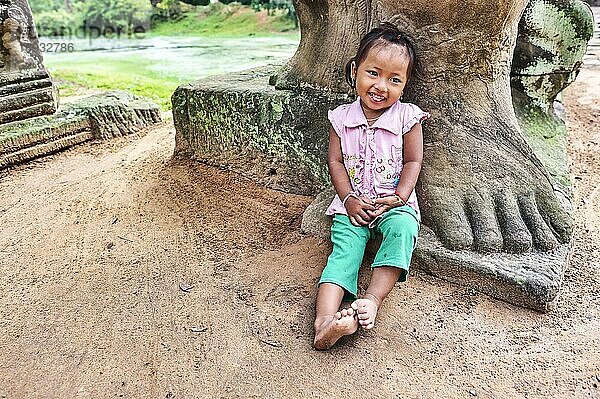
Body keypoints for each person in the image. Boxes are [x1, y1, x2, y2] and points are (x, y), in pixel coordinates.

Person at [313, 23, 429, 350]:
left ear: (405, 86)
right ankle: (325, 323)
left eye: (395, 79)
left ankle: (372, 300)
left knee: (403, 230)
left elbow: (413, 162)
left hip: (394, 204)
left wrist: (400, 197)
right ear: (355, 71)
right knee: (344, 251)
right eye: (373, 73)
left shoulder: (407, 118)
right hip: (353, 205)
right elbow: (335, 162)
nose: (381, 86)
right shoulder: (341, 118)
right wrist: (348, 199)